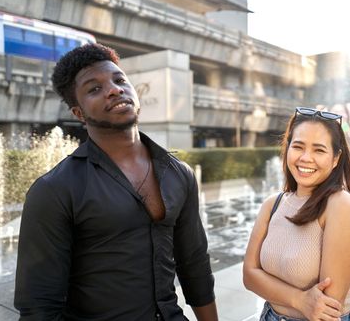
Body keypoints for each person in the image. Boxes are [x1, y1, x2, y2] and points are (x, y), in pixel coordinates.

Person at [14, 43, 218, 320]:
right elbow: (39, 306)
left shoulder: (178, 173)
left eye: (120, 79)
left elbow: (194, 264)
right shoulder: (55, 190)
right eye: (94, 89)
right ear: (79, 113)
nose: (114, 89)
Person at [243, 107, 350, 321]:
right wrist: (299, 299)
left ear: (336, 158)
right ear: (287, 149)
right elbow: (249, 275)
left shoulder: (339, 204)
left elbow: (326, 307)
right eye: (298, 146)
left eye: (319, 150)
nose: (306, 158)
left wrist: (277, 291)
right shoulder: (273, 204)